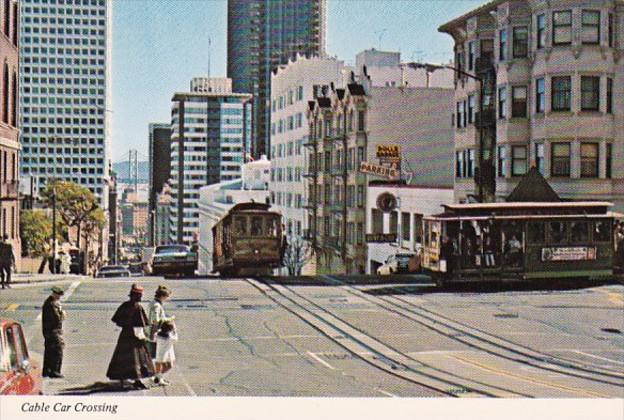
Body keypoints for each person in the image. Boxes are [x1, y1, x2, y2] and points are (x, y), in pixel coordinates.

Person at [106, 284, 155, 390]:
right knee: (137, 358)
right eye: (139, 295)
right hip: (135, 336)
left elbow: (117, 320)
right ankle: (137, 380)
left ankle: (123, 380)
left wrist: (125, 325)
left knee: (123, 357)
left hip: (125, 335)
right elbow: (140, 324)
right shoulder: (138, 307)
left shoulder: (125, 305)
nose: (141, 297)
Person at [146, 285, 174, 384]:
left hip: (155, 334)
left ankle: (157, 378)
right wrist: (168, 320)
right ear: (162, 296)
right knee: (160, 358)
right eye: (167, 297)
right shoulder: (156, 306)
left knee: (160, 359)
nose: (167, 299)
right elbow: (155, 320)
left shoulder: (153, 303)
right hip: (158, 335)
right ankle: (157, 378)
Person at [42, 286, 66, 378]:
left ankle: (47, 370)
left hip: (48, 331)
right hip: (53, 331)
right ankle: (55, 370)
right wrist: (62, 313)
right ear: (55, 294)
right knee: (58, 349)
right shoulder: (52, 304)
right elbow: (57, 318)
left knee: (49, 350)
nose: (59, 297)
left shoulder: (49, 302)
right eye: (58, 295)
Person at [154, 320, 178, 386]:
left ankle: (158, 377)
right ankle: (159, 378)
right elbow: (176, 338)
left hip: (159, 353)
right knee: (169, 366)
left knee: (161, 366)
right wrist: (175, 330)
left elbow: (154, 340)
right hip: (167, 354)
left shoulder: (157, 334)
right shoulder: (170, 337)